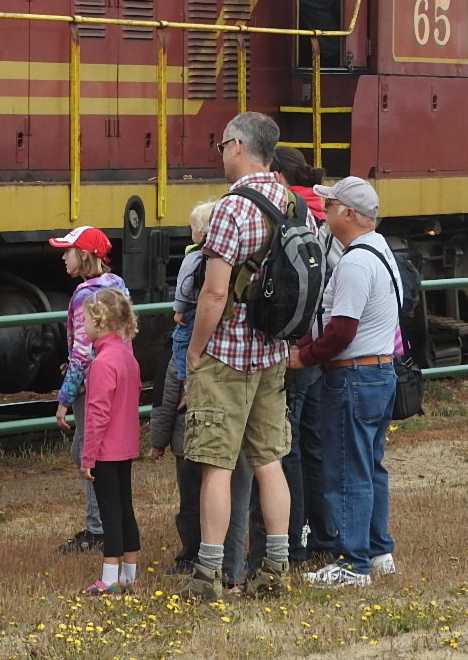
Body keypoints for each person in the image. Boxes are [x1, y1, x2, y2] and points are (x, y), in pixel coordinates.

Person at [180, 112, 293, 601]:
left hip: (228, 353)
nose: (220, 152)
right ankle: (277, 565)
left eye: (222, 143)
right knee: (270, 461)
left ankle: (208, 574)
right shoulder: (289, 200)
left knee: (217, 465)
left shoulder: (232, 209)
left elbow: (214, 293)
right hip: (273, 351)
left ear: (240, 147)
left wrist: (195, 350)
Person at [289, 177, 400, 587]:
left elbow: (341, 331)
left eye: (331, 205)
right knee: (370, 465)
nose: (325, 212)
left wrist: (305, 356)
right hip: (379, 371)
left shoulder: (354, 262)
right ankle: (378, 548)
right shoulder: (381, 251)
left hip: (352, 374)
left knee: (346, 471)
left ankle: (353, 563)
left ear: (349, 214)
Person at [271, 146, 337, 566]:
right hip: (319, 342)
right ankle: (324, 533)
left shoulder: (286, 212)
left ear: (275, 174)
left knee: (288, 447)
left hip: (296, 346)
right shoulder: (323, 212)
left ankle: (292, 540)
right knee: (315, 446)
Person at [147, 347, 254, 589]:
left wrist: (157, 441)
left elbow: (165, 399)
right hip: (239, 437)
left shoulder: (183, 350)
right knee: (237, 502)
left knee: (193, 504)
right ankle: (233, 567)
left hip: (191, 440)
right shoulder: (250, 350)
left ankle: (194, 557)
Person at [52, 225, 128, 553]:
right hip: (117, 378)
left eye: (67, 252)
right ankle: (107, 522)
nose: (63, 258)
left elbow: (82, 354)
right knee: (104, 452)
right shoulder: (117, 286)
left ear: (83, 255)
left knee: (88, 454)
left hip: (92, 384)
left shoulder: (86, 295)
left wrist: (64, 399)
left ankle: (97, 530)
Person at [77, 289, 143, 596]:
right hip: (125, 446)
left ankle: (109, 577)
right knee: (125, 508)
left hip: (105, 450)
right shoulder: (127, 357)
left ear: (101, 322)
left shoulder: (102, 363)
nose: (84, 327)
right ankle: (129, 574)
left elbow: (97, 415)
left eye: (86, 320)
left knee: (109, 513)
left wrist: (87, 456)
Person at [169, 202, 219, 381]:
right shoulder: (222, 256)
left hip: (191, 309)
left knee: (183, 344)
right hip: (212, 312)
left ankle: (185, 380)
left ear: (201, 233)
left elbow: (184, 286)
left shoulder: (193, 257)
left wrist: (178, 309)